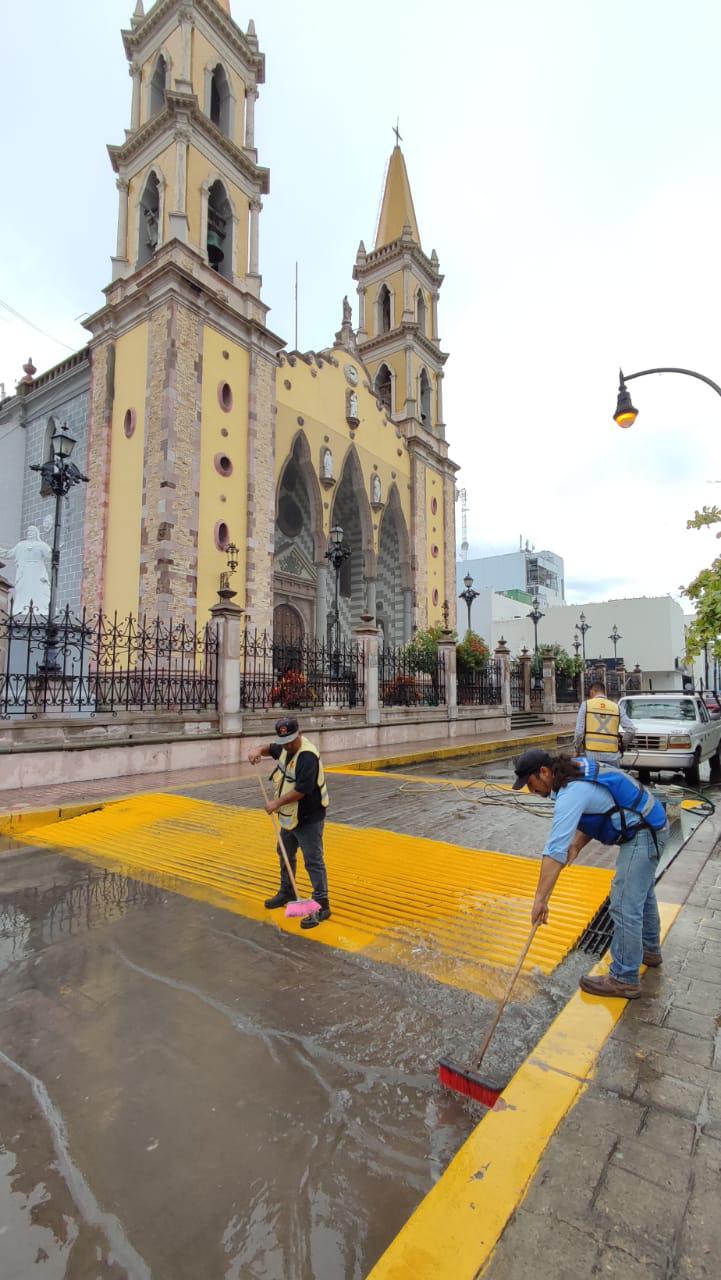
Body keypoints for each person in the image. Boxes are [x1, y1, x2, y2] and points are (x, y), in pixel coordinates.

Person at [512, 748, 668, 998]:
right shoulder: (574, 772)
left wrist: (539, 900)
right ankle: (649, 950)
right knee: (642, 892)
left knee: (624, 901)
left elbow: (554, 851)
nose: (533, 792)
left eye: (531, 784)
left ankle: (624, 978)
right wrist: (577, 844)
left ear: (544, 772)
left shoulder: (571, 792)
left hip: (645, 833)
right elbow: (604, 807)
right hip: (651, 826)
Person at [248, 716, 331, 929]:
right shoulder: (285, 747)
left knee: (313, 860)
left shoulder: (307, 756)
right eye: (284, 741)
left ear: (300, 735)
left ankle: (322, 903)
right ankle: (287, 891)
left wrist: (275, 803)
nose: (287, 745)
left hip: (308, 816)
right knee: (284, 852)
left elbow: (302, 791)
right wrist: (257, 750)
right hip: (288, 815)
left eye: (291, 740)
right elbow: (271, 748)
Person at [574, 680, 635, 765]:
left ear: (592, 692)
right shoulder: (617, 707)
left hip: (591, 756)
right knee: (613, 778)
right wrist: (622, 747)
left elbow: (579, 732)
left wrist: (577, 749)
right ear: (603, 692)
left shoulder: (586, 705)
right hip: (612, 756)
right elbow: (631, 730)